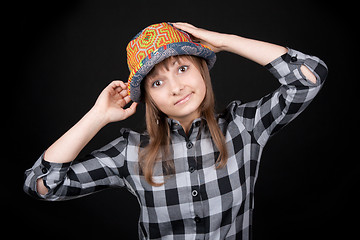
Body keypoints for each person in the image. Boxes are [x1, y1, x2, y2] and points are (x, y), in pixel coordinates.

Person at [24, 22, 328, 239]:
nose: (176, 87)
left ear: (202, 70)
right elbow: (42, 185)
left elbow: (309, 77)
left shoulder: (244, 126)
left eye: (182, 68)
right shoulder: (132, 152)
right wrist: (98, 115)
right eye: (157, 82)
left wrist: (224, 41)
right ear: (149, 98)